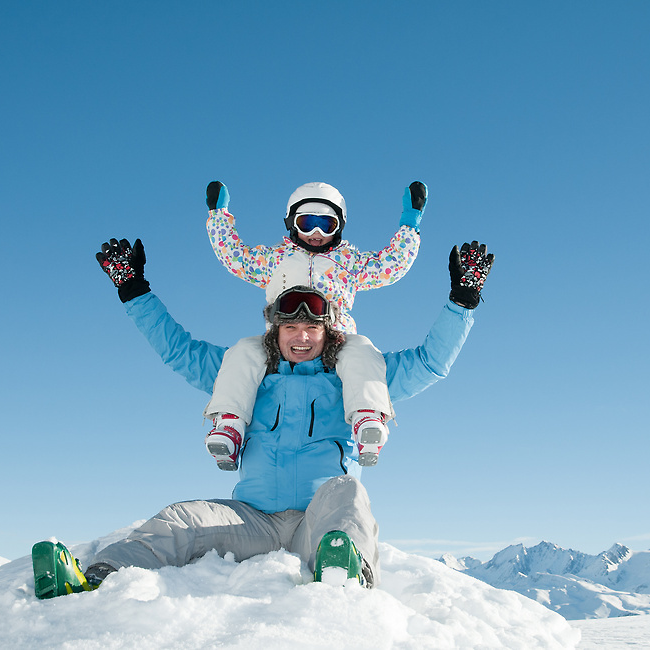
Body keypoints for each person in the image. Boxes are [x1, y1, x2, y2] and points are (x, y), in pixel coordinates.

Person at [76, 236, 494, 591]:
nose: (301, 337)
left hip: (318, 525)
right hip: (252, 521)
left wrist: (463, 302)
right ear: (274, 331)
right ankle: (98, 576)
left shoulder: (352, 378)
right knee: (181, 517)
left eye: (312, 328)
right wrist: (134, 289)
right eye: (290, 327)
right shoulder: (245, 374)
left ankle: (346, 575)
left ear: (328, 332)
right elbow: (177, 349)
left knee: (348, 494)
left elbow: (429, 362)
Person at [202, 180, 427, 469]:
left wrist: (410, 223)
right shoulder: (275, 259)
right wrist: (218, 216)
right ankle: (229, 424)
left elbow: (390, 266)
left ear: (339, 227)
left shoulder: (348, 261)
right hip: (280, 343)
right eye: (307, 223)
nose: (316, 233)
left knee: (361, 350)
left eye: (326, 224)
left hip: (336, 339)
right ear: (291, 224)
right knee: (244, 351)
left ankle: (367, 417)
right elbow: (236, 257)